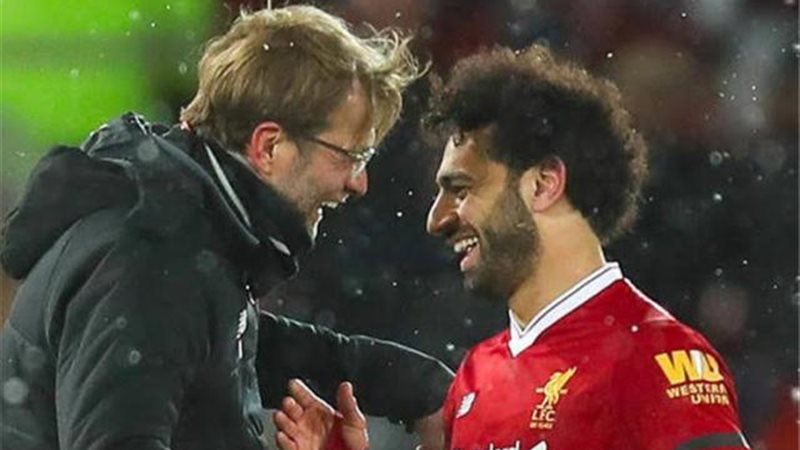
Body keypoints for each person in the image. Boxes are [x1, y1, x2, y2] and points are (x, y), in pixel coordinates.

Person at [0, 5, 453, 450]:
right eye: (351, 156)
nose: (359, 182)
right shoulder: (153, 260)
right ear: (269, 147)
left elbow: (228, 350)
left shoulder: (187, 226)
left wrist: (421, 387)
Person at [271, 44, 751, 450]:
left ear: (543, 184)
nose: (437, 219)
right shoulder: (477, 377)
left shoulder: (658, 360)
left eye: (461, 189)